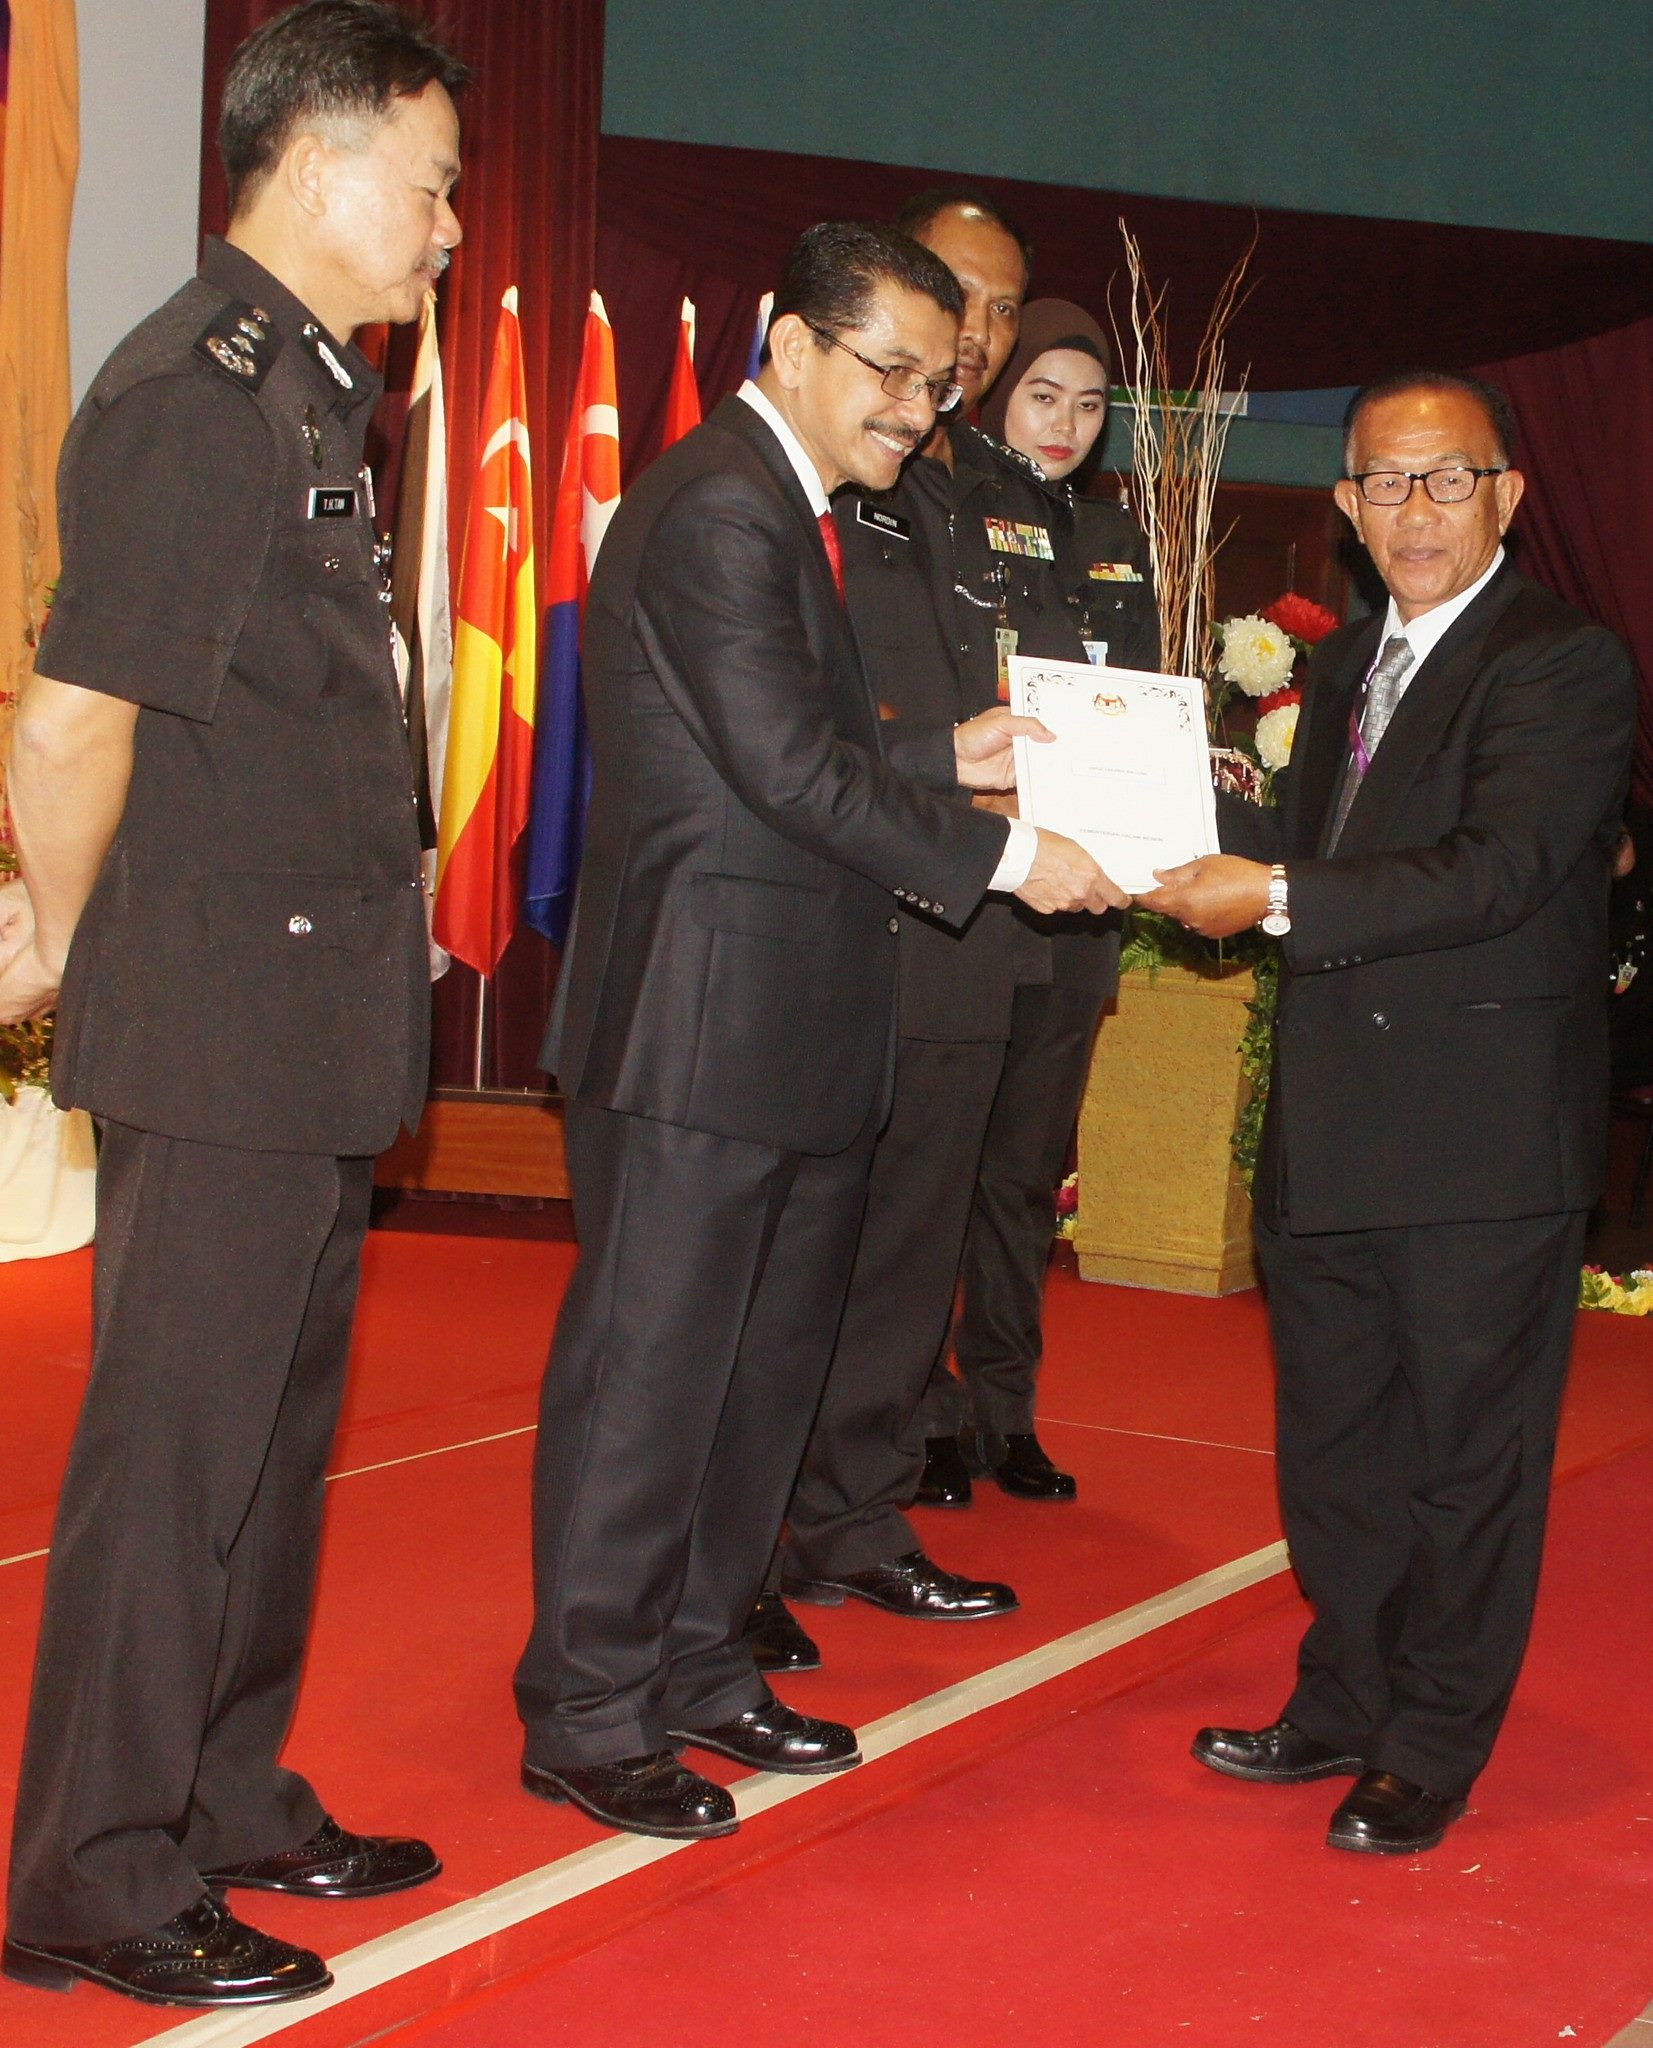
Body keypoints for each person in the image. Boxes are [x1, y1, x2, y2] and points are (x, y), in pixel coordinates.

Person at [514, 220, 1123, 1844]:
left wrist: (944, 757)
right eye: (889, 372)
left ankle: (699, 1660)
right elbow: (785, 769)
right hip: (699, 1027)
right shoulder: (720, 502)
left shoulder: (785, 507)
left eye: (934, 385)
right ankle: (588, 1705)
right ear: (789, 342)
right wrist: (1009, 853)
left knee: (758, 1376)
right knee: (654, 1379)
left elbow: (796, 743)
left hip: (792, 1023)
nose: (916, 410)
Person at [0, 1, 466, 2010]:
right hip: (212, 1010)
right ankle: (92, 1874)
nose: (449, 225)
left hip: (305, 1011)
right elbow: (71, 721)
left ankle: (219, 1792)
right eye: (432, 184)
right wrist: (68, 940)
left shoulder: (303, 390)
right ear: (321, 158)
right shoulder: (196, 398)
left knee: (270, 1449)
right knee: (176, 1461)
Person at [1142, 370, 1636, 1856]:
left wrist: (1276, 891)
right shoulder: (1352, 657)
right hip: (1334, 1123)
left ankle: (1430, 1742)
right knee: (1338, 1451)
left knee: (1466, 1461)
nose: (1416, 510)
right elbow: (1323, 843)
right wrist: (1138, 812)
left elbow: (1498, 867)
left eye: (1447, 478)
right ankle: (1344, 1697)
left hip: (1480, 1139)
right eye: (1384, 483)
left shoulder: (1561, 662)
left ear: (1506, 494)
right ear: (1346, 506)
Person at [918, 297, 1159, 1507]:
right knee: (938, 1166)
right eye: (1042, 396)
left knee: (1023, 1174)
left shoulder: (1117, 534)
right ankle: (922, 1410)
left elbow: (1148, 701)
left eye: (1089, 403)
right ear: (998, 394)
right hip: (982, 881)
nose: (1065, 423)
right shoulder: (943, 501)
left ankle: (1004, 1409)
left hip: (1087, 893)